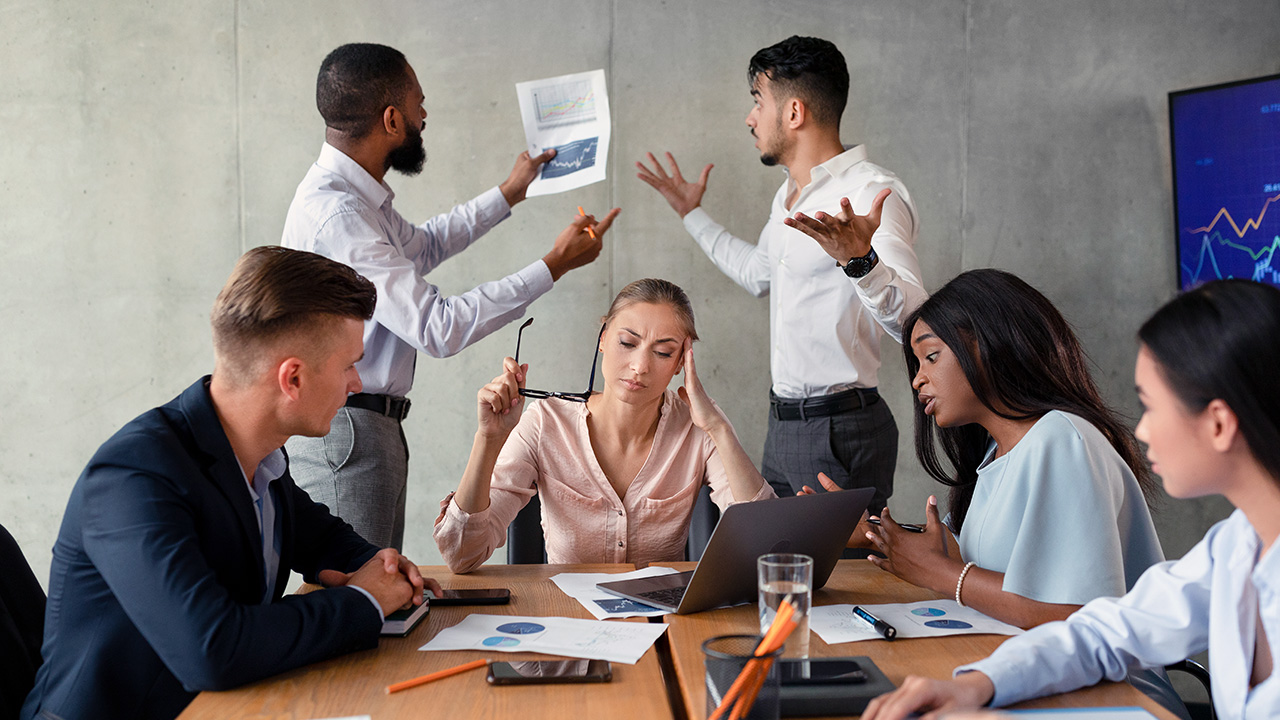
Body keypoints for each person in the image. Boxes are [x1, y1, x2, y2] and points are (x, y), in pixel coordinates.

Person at [21, 247, 440, 720]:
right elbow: (212, 648)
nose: (357, 382)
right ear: (293, 378)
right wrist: (364, 601)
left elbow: (316, 534)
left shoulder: (260, 455)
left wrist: (377, 565)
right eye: (349, 364)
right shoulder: (133, 478)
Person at [862, 278, 1280, 720]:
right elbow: (1103, 631)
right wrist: (978, 686)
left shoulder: (1063, 438)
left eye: (1153, 406)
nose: (1140, 431)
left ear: (1218, 423)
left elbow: (1072, 612)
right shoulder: (1235, 546)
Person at [282, 42, 619, 550]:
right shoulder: (341, 216)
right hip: (349, 436)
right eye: (418, 103)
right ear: (392, 120)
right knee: (360, 597)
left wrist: (510, 191)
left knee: (373, 595)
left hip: (367, 431)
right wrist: (554, 265)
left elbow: (426, 244)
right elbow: (437, 328)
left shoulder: (355, 200)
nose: (425, 114)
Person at [635, 35, 926, 512]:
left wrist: (860, 261)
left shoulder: (873, 193)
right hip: (783, 424)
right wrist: (693, 214)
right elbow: (757, 273)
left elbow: (916, 323)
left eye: (757, 101)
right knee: (779, 579)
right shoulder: (790, 194)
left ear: (793, 113)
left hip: (840, 428)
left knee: (841, 584)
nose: (750, 117)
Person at [433, 279, 775, 571]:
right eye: (627, 343)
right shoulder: (545, 423)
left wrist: (718, 427)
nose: (640, 366)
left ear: (680, 364)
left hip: (660, 625)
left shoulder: (700, 426)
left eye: (663, 352)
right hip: (567, 624)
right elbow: (462, 556)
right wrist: (488, 439)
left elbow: (766, 548)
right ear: (603, 337)